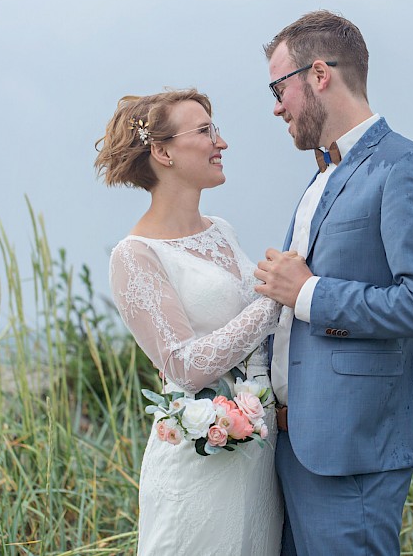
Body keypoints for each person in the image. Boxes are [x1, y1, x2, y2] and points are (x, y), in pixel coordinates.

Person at [254, 11, 413, 555]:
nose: (276, 105)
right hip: (291, 445)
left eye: (279, 87)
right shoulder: (320, 177)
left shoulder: (405, 167)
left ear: (319, 74)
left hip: (352, 451)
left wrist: (308, 293)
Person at [96, 89, 284, 555]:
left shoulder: (223, 229)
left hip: (259, 453)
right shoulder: (136, 254)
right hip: (199, 462)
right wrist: (275, 301)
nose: (221, 142)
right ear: (162, 152)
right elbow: (181, 366)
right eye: (204, 131)